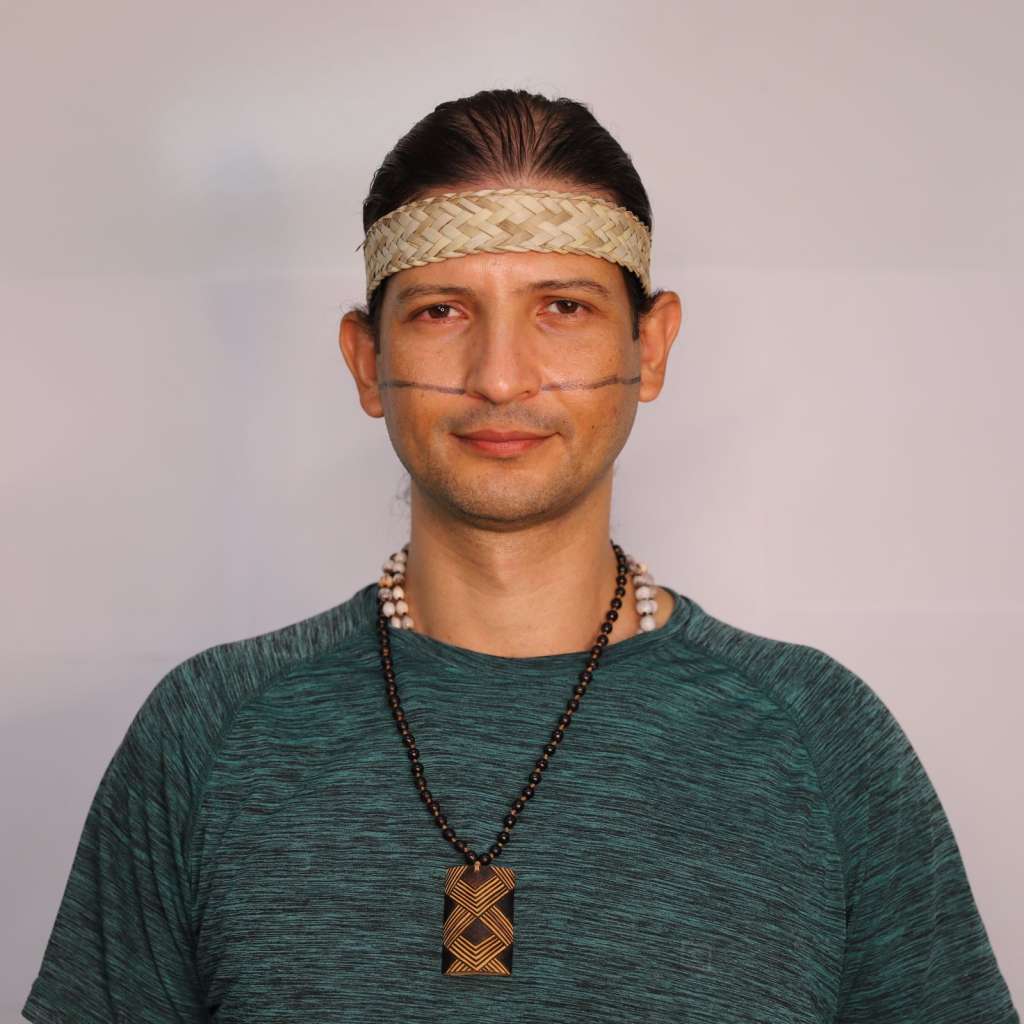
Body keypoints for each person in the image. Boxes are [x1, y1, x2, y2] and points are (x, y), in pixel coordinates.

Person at [22, 89, 1018, 1024]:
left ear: (651, 348)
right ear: (368, 361)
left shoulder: (819, 738)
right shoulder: (208, 735)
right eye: (441, 310)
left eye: (563, 307)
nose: (500, 377)